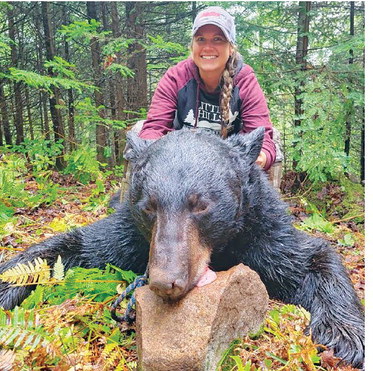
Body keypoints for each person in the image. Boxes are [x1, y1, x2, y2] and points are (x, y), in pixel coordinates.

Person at [137, 6, 276, 171]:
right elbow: (154, 128)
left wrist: (260, 157)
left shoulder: (244, 80)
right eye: (201, 39)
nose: (208, 47)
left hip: (227, 163)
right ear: (192, 46)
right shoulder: (176, 77)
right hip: (180, 159)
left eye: (218, 39)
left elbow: (261, 135)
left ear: (231, 47)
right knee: (138, 137)